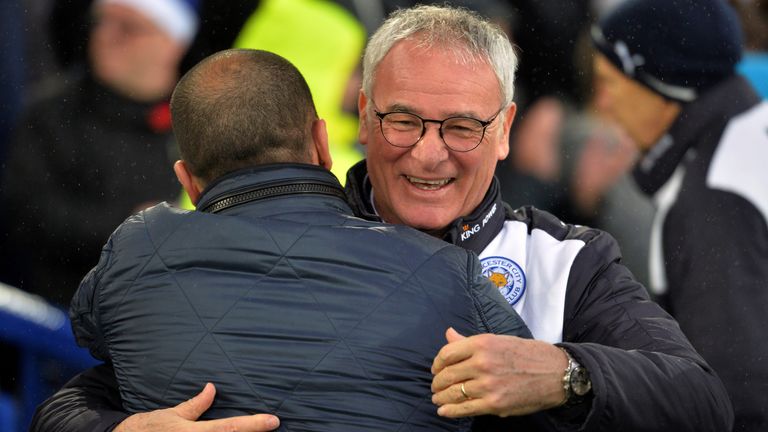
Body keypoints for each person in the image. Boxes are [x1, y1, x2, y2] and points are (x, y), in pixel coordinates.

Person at [31, 5, 734, 432]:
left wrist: (564, 374)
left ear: (506, 131)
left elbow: (702, 403)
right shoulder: (280, 233)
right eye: (403, 120)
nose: (429, 153)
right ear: (361, 118)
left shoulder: (565, 260)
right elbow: (76, 399)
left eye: (461, 126)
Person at [71, 47, 533, 431]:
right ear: (322, 141)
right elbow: (533, 390)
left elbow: (83, 352)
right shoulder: (451, 272)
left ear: (187, 181)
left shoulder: (133, 252)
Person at [591, 0, 768, 430]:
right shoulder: (747, 133)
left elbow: (737, 399)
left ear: (662, 84)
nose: (603, 104)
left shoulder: (712, 202)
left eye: (610, 83)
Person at [0, 0, 200, 305]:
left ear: (172, 42)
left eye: (127, 27)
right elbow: (24, 215)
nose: (105, 34)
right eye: (100, 20)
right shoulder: (52, 112)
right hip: (52, 322)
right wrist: (125, 228)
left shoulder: (198, 129)